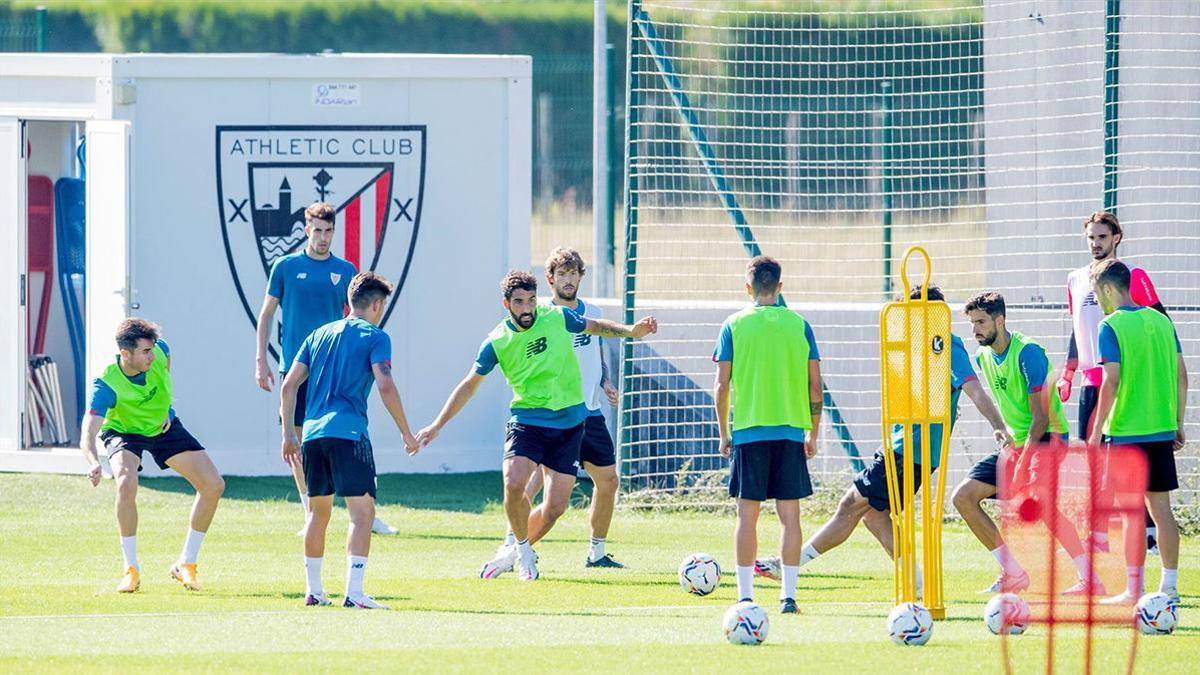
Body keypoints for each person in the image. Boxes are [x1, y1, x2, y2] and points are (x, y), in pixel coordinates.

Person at [754, 285, 1014, 597]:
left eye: (912, 311)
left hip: (912, 451)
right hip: (900, 444)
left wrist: (998, 425)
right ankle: (917, 583)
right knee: (874, 516)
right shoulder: (911, 344)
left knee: (850, 504)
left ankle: (789, 563)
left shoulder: (946, 344)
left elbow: (975, 391)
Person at [416, 271, 657, 581]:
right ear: (506, 304)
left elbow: (596, 327)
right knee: (513, 483)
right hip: (527, 421)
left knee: (555, 508)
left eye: (531, 301)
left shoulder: (557, 316)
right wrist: (437, 425)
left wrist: (630, 331)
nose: (527, 308)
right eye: (519, 303)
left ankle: (515, 552)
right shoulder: (496, 342)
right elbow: (468, 386)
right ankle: (524, 551)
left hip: (570, 423)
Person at [255, 201, 397, 536]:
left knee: (352, 432)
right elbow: (266, 314)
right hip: (297, 367)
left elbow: (362, 315)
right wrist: (261, 359)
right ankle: (310, 512)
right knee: (299, 441)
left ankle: (365, 509)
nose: (322, 237)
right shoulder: (285, 266)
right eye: (317, 230)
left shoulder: (346, 269)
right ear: (306, 230)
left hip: (335, 369)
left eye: (329, 230)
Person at [280, 272, 420, 609]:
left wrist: (288, 435)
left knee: (318, 514)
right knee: (362, 514)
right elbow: (385, 384)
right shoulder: (376, 336)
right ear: (375, 304)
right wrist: (405, 431)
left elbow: (288, 386)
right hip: (349, 434)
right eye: (382, 305)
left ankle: (314, 591)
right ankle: (354, 593)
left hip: (312, 435)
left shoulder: (318, 335)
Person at [952, 292, 1101, 596]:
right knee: (963, 497)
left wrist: (1020, 466)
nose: (975, 329)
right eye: (971, 323)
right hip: (1017, 443)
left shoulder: (1028, 353)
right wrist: (1003, 433)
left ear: (1000, 320)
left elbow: (1041, 420)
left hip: (1047, 438)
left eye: (980, 322)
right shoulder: (983, 356)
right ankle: (1014, 573)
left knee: (1041, 503)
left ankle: (1090, 579)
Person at [491, 248, 626, 571]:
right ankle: (514, 547)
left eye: (573, 273)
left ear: (581, 276)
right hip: (554, 416)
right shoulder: (542, 314)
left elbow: (596, 352)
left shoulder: (590, 311)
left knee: (608, 481)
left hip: (589, 413)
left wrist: (605, 381)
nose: (568, 279)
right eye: (561, 274)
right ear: (550, 279)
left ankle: (597, 552)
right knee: (532, 486)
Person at [81, 318, 225, 593]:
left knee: (213, 485)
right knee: (125, 481)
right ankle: (131, 569)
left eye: (153, 348)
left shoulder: (162, 351)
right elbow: (87, 435)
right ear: (126, 354)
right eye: (145, 351)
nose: (152, 355)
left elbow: (166, 376)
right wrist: (92, 462)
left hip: (161, 426)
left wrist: (168, 410)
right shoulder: (106, 384)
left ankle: (186, 563)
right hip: (124, 432)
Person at [1056, 210, 1167, 554]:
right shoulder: (1076, 279)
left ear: (1117, 238)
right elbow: (1078, 332)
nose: (1096, 243)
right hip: (1092, 382)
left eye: (1102, 237)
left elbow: (1158, 322)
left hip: (1124, 382)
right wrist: (1068, 373)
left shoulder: (1131, 275)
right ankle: (1099, 537)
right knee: (1092, 460)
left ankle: (1148, 532)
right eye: (1091, 237)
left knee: (1128, 460)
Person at [714, 256, 820, 614]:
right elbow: (815, 387)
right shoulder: (800, 325)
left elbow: (721, 385)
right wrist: (813, 434)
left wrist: (724, 433)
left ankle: (745, 597)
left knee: (748, 516)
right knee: (791, 518)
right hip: (791, 432)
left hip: (748, 431)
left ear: (748, 287)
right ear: (780, 286)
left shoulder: (733, 325)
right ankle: (788, 597)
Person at [1086, 260, 1187, 605]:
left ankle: (1134, 590)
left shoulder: (1109, 326)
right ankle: (1169, 587)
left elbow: (1111, 381)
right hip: (1161, 429)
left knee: (1132, 513)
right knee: (1162, 512)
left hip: (1127, 433)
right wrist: (1178, 422)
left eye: (1098, 292)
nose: (1098, 300)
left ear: (1109, 289)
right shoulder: (1162, 321)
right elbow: (1182, 375)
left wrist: (1096, 430)